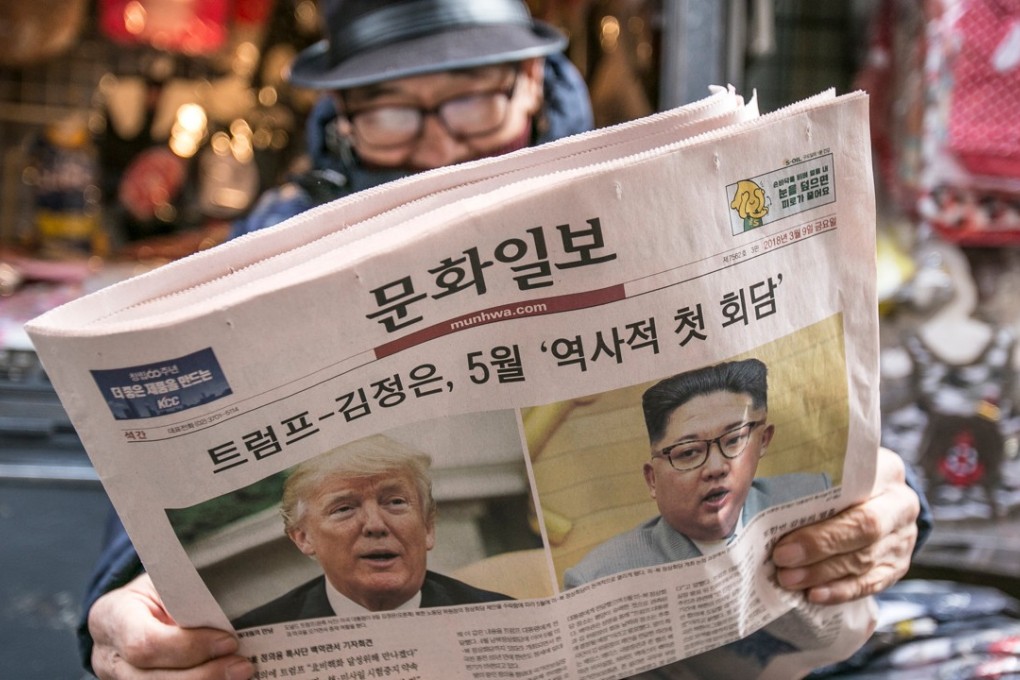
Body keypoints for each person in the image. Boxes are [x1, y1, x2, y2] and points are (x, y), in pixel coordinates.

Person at [81, 2, 931, 679]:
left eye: (472, 98)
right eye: (390, 115)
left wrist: (898, 507)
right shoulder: (269, 245)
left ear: (532, 81)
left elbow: (842, 422)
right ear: (341, 116)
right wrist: (123, 619)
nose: (439, 144)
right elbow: (144, 535)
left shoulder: (646, 197)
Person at [564, 359, 831, 586]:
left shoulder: (814, 497)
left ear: (763, 441)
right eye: (689, 452)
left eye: (734, 439)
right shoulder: (599, 577)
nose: (715, 468)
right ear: (652, 479)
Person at [231, 435, 511, 629]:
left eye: (395, 502)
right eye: (344, 508)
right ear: (304, 538)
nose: (375, 525)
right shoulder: (258, 636)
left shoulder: (502, 616)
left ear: (427, 527)